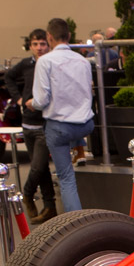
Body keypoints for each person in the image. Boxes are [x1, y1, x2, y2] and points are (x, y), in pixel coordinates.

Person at [27, 18, 93, 213]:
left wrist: (31, 103)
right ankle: (79, 148)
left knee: (66, 178)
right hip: (86, 124)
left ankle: (75, 223)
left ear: (49, 37)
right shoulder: (83, 61)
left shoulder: (45, 61)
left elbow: (41, 100)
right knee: (72, 128)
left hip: (60, 128)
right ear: (69, 36)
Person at [5, 28, 56, 224]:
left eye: (43, 44)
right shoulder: (26, 64)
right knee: (40, 168)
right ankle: (50, 206)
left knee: (38, 166)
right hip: (28, 123)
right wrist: (17, 99)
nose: (39, 48)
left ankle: (26, 194)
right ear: (30, 46)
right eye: (35, 44)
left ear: (48, 44)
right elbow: (8, 77)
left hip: (44, 123)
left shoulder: (50, 63)